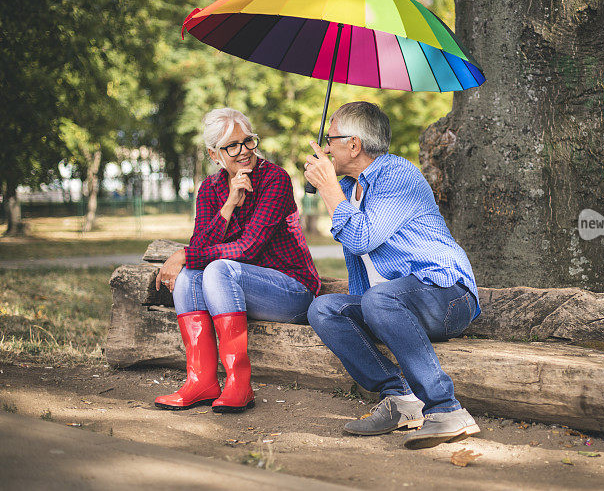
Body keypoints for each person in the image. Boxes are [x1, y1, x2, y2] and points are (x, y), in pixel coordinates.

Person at [303, 101, 481, 449]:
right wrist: (332, 188)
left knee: (378, 299)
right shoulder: (352, 187)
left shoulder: (397, 175)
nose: (324, 147)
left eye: (330, 138)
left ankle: (447, 410)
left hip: (447, 295)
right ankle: (400, 398)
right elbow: (360, 267)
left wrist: (327, 189)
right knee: (324, 309)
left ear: (353, 145)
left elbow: (361, 237)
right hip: (391, 303)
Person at [155, 108, 320, 413]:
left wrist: (185, 254)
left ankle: (239, 384)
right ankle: (201, 382)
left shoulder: (276, 180)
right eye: (232, 145)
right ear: (214, 153)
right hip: (237, 288)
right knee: (189, 276)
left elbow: (247, 249)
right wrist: (229, 204)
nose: (244, 151)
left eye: (248, 141)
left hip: (292, 290)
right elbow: (201, 242)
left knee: (214, 268)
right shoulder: (210, 189)